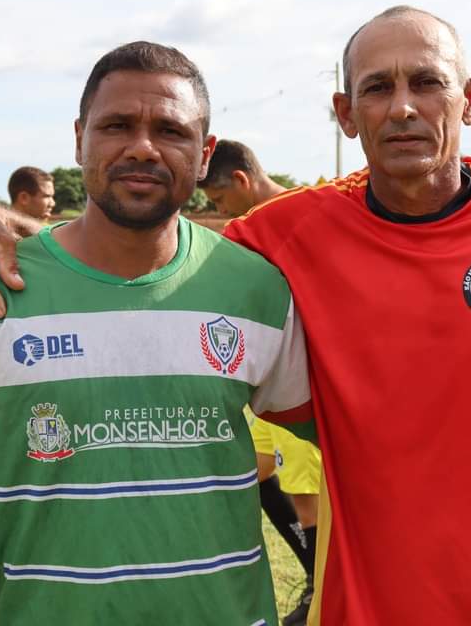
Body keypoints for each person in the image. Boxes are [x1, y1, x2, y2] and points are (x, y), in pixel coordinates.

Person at [0, 6, 471, 624]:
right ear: (346, 114)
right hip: (369, 602)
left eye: (427, 82)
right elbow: (141, 238)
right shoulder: (287, 236)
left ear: (470, 98)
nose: (404, 106)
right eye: (377, 88)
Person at [0, 41, 314, 625]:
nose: (142, 146)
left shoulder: (256, 288)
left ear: (204, 153)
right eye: (116, 126)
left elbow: (349, 446)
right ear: (79, 138)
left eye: (170, 130)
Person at [200, 139, 321, 625]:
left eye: (217, 199)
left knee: (307, 496)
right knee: (259, 472)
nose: (218, 210)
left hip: (308, 384)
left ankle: (323, 594)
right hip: (265, 386)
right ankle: (318, 577)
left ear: (242, 181)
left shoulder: (312, 217)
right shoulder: (243, 235)